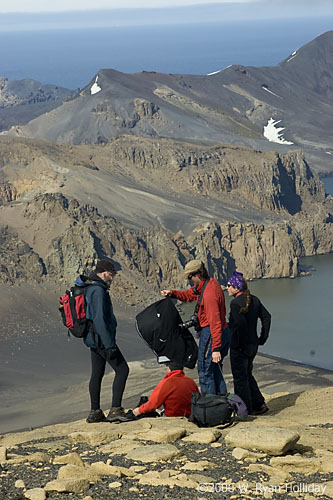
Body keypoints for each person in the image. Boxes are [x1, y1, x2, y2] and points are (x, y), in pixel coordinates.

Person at [75, 259, 133, 423]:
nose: (113, 278)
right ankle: (115, 410)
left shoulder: (92, 288)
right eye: (112, 274)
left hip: (93, 339)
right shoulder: (98, 291)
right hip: (101, 340)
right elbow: (99, 319)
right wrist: (109, 345)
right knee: (123, 370)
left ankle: (95, 411)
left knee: (97, 373)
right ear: (103, 273)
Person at [161, 260, 230, 396]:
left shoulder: (209, 293)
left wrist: (216, 348)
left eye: (191, 277)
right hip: (221, 330)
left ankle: (209, 404)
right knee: (215, 370)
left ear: (198, 274)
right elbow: (191, 294)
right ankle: (221, 402)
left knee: (205, 370)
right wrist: (173, 293)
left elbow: (214, 321)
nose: (190, 280)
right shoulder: (208, 283)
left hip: (211, 332)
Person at [227, 270, 271, 415]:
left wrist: (239, 344)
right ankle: (259, 404)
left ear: (236, 288)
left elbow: (239, 326)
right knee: (247, 374)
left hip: (240, 348)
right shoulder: (254, 299)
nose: (226, 288)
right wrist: (262, 338)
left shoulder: (235, 304)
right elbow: (267, 317)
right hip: (253, 345)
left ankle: (245, 410)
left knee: (240, 379)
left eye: (229, 285)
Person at [132, 362, 199, 417]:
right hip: (189, 416)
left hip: (172, 417)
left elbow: (153, 404)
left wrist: (139, 410)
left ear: (169, 368)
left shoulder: (166, 383)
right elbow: (198, 399)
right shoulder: (191, 381)